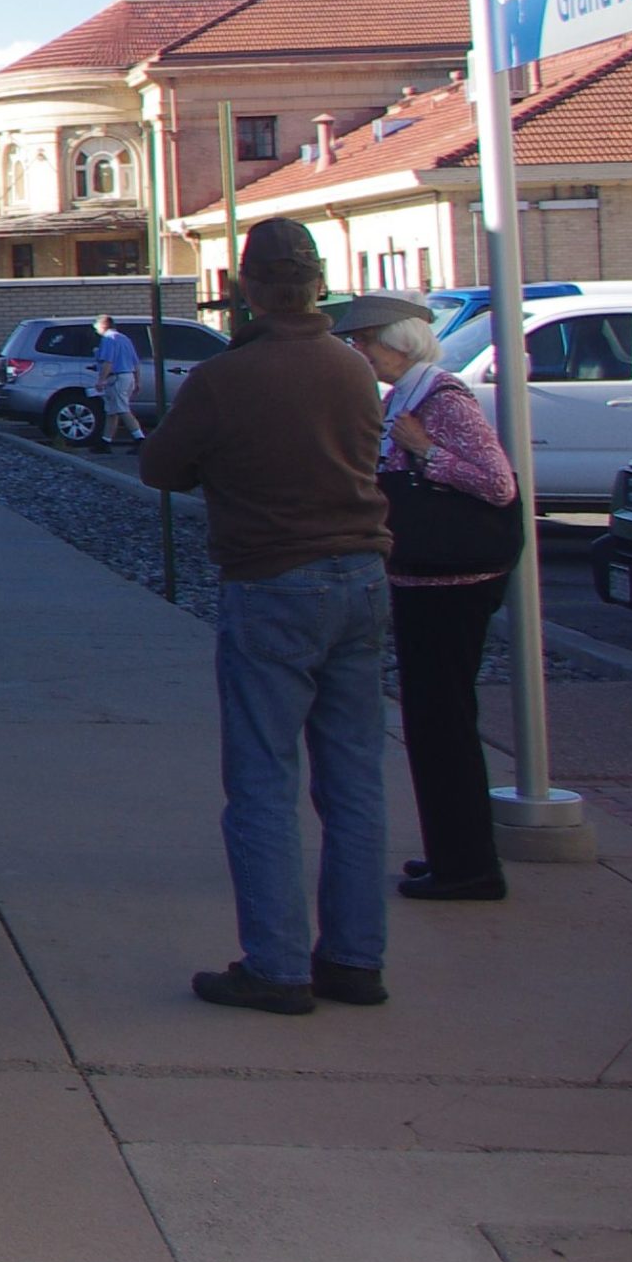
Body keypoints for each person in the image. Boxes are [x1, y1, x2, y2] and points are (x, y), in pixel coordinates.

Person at [137, 218, 396, 1015]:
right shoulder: (352, 368)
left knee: (262, 780)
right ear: (317, 283)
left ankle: (277, 965)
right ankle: (354, 959)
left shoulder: (227, 377)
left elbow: (161, 466)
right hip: (361, 577)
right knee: (354, 779)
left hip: (273, 581)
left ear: (248, 289)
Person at [350, 304, 518, 902]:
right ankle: (454, 851)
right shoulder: (403, 395)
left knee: (443, 723)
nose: (362, 352)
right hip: (424, 582)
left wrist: (423, 449)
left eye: (369, 342)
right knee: (431, 724)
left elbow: (498, 484)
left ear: (400, 345)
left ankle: (470, 866)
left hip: (455, 584)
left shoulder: (442, 399)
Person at [91, 314, 144, 452]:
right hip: (128, 376)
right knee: (111, 411)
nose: (96, 330)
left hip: (117, 378)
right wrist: (138, 381)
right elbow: (135, 362)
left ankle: (141, 440)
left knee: (122, 409)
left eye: (96, 327)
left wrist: (101, 380)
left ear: (103, 325)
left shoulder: (108, 339)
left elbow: (108, 361)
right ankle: (105, 442)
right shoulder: (124, 338)